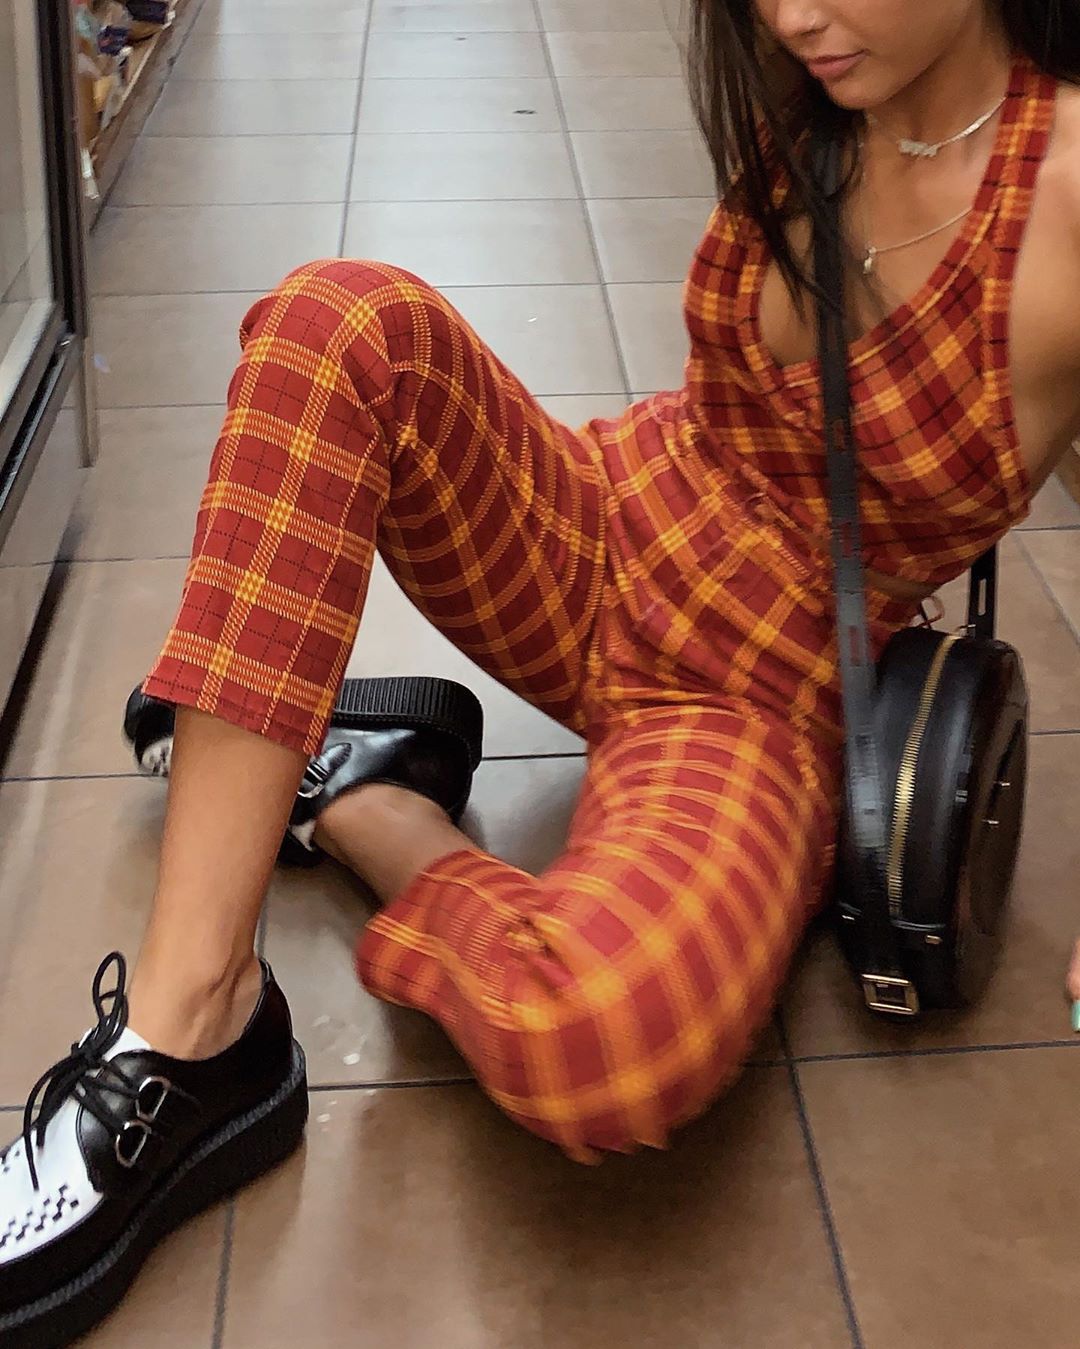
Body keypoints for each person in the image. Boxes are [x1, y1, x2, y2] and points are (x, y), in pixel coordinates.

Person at [5, 1, 1080, 1343]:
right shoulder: (820, 78)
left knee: (602, 1036)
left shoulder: (1061, 196)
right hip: (609, 517)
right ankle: (192, 1025)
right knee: (332, 323)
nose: (794, 13)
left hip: (751, 703)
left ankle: (357, 792)